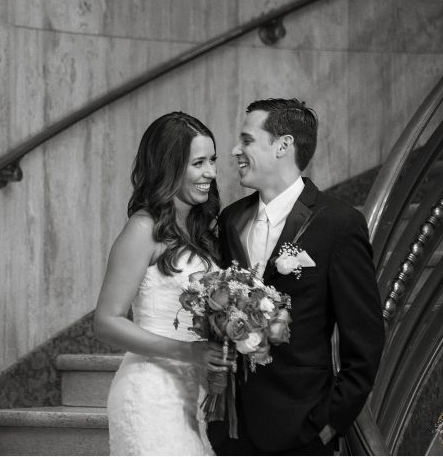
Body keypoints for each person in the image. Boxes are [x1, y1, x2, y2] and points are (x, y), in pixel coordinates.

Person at [207, 98, 384, 455]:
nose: (234, 150)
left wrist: (325, 426)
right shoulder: (230, 220)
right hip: (231, 431)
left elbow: (364, 343)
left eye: (246, 140)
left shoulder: (339, 223)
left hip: (301, 429)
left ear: (283, 145)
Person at [94, 111, 230, 455]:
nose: (211, 173)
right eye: (198, 163)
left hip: (196, 396)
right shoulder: (143, 229)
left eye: (212, 160)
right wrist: (188, 352)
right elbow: (105, 322)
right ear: (169, 167)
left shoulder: (204, 231)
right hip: (150, 393)